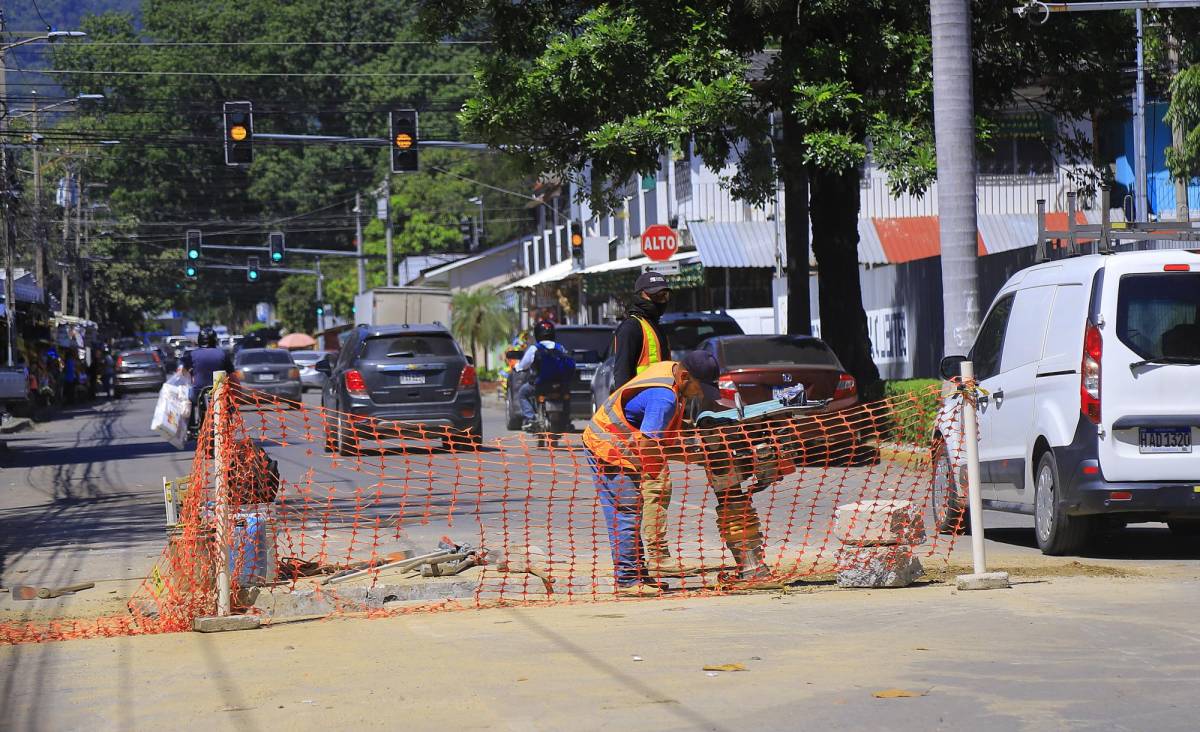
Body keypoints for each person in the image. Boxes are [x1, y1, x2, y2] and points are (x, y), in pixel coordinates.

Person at [582, 351, 721, 596]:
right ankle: (627, 580)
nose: (700, 395)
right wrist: (698, 457)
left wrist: (695, 451)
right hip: (609, 447)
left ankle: (638, 574)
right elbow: (649, 446)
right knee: (626, 512)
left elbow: (661, 436)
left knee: (631, 510)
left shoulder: (671, 371)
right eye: (700, 388)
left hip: (619, 442)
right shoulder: (664, 398)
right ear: (685, 376)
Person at [609, 271, 686, 574]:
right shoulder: (631, 328)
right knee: (653, 487)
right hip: (637, 424)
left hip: (652, 419)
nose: (661, 300)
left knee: (647, 492)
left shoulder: (656, 327)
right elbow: (621, 378)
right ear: (640, 295)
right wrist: (627, 428)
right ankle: (653, 557)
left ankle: (642, 561)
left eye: (665, 295)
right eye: (655, 295)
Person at [515, 320, 572, 432]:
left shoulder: (534, 348)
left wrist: (517, 367)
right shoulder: (560, 347)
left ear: (537, 334)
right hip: (560, 385)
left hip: (540, 385)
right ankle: (566, 421)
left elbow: (523, 365)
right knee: (567, 396)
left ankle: (531, 419)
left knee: (522, 393)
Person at [181, 327, 232, 431]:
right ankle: (228, 423)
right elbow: (231, 374)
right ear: (215, 340)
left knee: (187, 399)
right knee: (229, 403)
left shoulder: (192, 354)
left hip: (198, 393)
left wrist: (191, 375)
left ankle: (191, 427)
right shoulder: (223, 354)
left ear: (199, 340)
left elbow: (183, 372)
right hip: (220, 392)